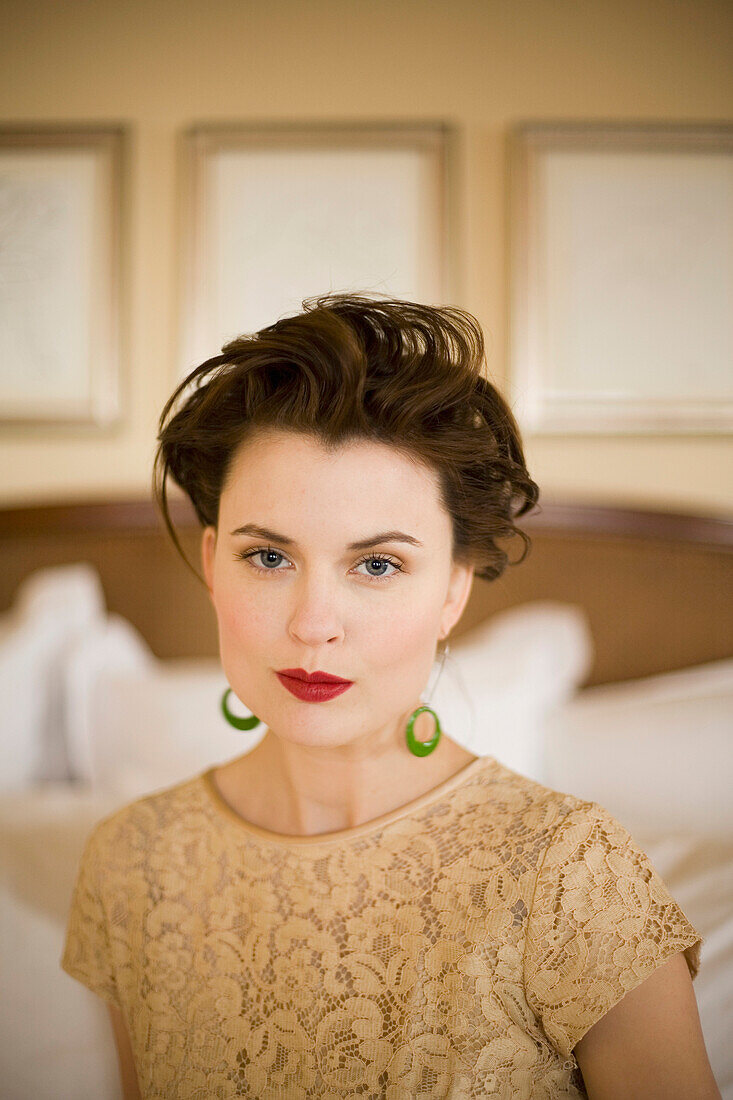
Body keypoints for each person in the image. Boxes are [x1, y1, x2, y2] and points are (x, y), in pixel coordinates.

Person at [60, 293, 720, 1099]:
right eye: (267, 557)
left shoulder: (572, 874)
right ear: (210, 561)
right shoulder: (132, 864)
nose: (312, 626)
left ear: (452, 589)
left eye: (376, 565)